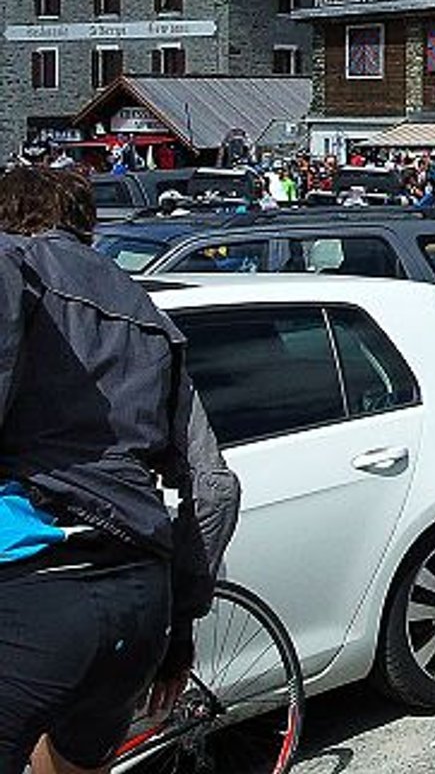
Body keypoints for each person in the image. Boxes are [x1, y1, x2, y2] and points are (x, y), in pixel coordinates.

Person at [0, 167, 242, 774]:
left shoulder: (13, 271)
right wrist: (179, 632)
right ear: (88, 225)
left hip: (34, 584)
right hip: (140, 597)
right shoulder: (147, 315)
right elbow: (214, 489)